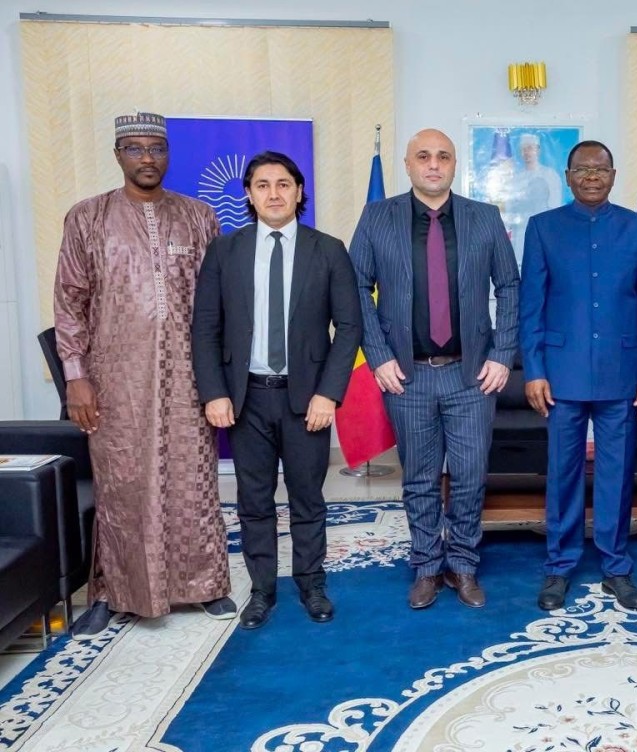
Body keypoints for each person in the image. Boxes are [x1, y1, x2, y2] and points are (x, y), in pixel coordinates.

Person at [53, 112, 235, 639]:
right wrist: (76, 375)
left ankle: (204, 584)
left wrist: (220, 377)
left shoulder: (199, 217)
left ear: (169, 154)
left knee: (193, 477)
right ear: (118, 155)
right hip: (116, 376)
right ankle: (114, 591)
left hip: (188, 374)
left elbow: (218, 302)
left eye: (156, 148)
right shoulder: (87, 217)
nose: (147, 158)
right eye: (134, 149)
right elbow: (69, 300)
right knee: (121, 483)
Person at [349, 128, 519, 610]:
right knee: (420, 478)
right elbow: (355, 286)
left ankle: (462, 564)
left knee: (469, 476)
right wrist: (378, 355)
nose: (433, 164)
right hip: (407, 375)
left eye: (443, 156)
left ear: (454, 165)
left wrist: (502, 354)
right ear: (407, 164)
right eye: (423, 156)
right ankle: (426, 566)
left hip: (471, 375)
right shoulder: (377, 217)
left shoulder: (484, 218)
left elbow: (510, 286)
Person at [192, 150, 362, 630]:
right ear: (248, 194)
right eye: (262, 185)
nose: (273, 193)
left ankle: (311, 584)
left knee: (308, 497)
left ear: (299, 191)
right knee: (254, 501)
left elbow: (349, 327)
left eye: (283, 184)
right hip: (245, 399)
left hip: (307, 399)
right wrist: (214, 392)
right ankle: (262, 590)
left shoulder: (327, 250)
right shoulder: (224, 251)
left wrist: (329, 393)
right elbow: (205, 327)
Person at [520, 140, 637, 612]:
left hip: (621, 372)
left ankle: (615, 566)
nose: (591, 177)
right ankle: (559, 565)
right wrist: (534, 369)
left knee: (616, 473)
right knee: (562, 472)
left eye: (600, 170)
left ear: (613, 176)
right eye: (582, 169)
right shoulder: (543, 228)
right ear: (567, 176)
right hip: (560, 374)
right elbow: (531, 307)